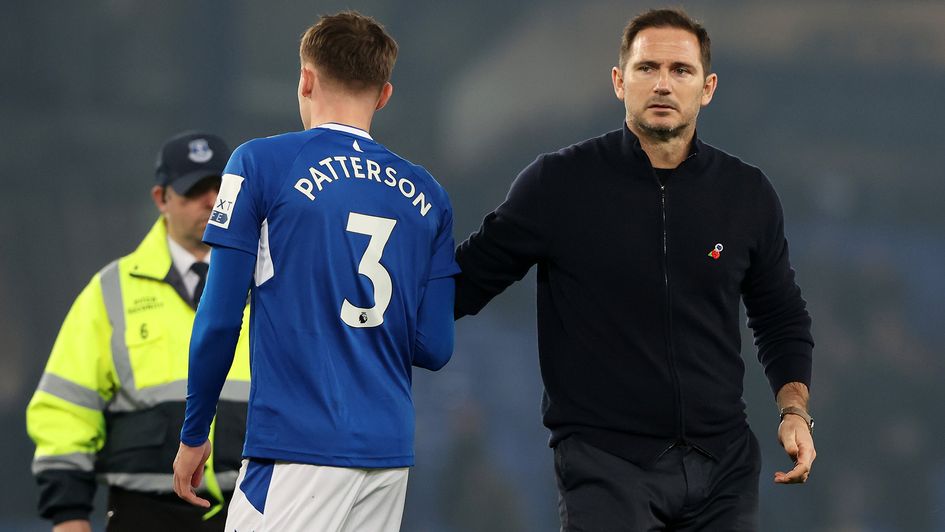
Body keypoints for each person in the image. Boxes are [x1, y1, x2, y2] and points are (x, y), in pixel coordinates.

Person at [454, 8, 816, 531]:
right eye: (647, 69)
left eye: (681, 70)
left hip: (724, 468)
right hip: (606, 463)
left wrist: (794, 411)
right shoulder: (558, 183)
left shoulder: (747, 193)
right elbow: (462, 283)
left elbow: (781, 316)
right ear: (619, 81)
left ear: (707, 87)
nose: (664, 84)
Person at [172, 11, 459, 532]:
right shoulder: (430, 197)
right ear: (384, 94)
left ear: (306, 79)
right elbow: (435, 347)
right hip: (388, 455)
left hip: (296, 449)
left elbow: (218, 320)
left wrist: (195, 433)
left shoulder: (258, 164)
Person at [26, 131, 251, 532]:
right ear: (160, 199)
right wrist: (69, 515)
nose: (211, 200)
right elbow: (65, 410)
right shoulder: (111, 290)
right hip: (145, 515)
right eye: (195, 189)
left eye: (221, 187)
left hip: (254, 510)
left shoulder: (266, 284)